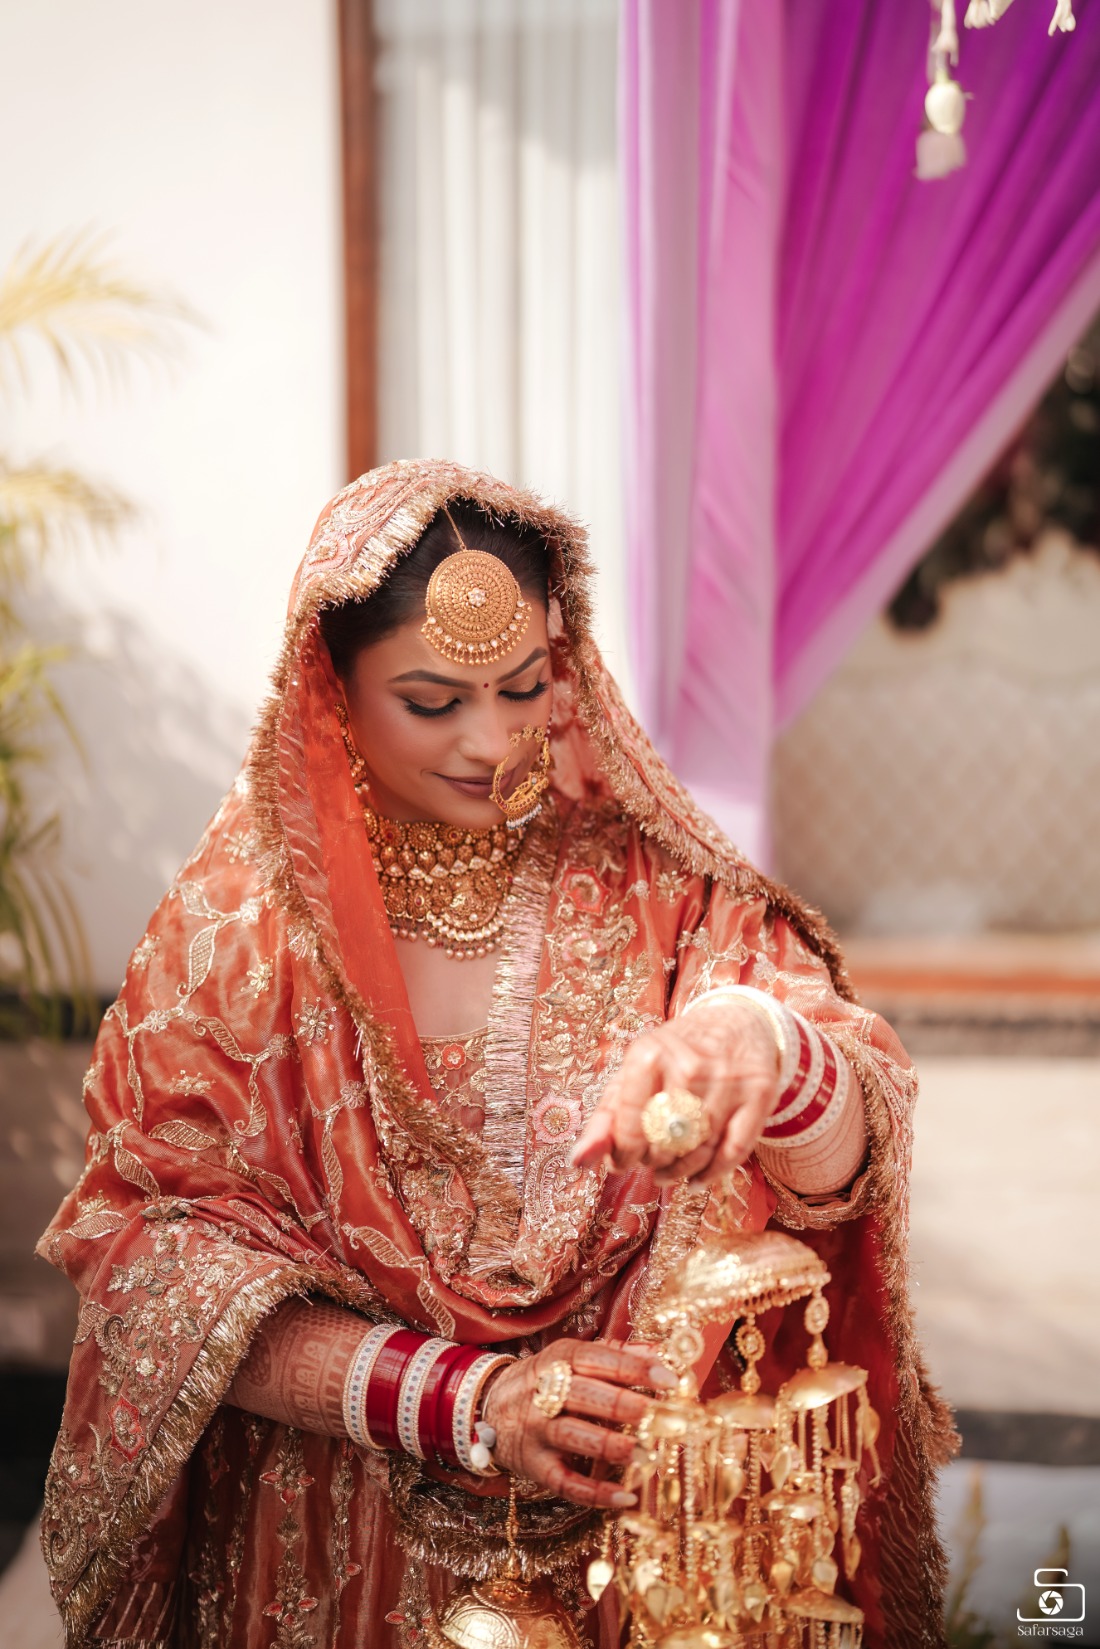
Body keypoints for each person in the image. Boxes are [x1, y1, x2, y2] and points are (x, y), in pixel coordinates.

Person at [39, 460, 954, 1649]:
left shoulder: (658, 888)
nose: (490, 740)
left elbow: (843, 1161)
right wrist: (466, 1399)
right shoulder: (241, 940)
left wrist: (763, 1047)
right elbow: (155, 1262)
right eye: (431, 702)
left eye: (523, 687)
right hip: (334, 1536)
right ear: (331, 687)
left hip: (638, 1546)